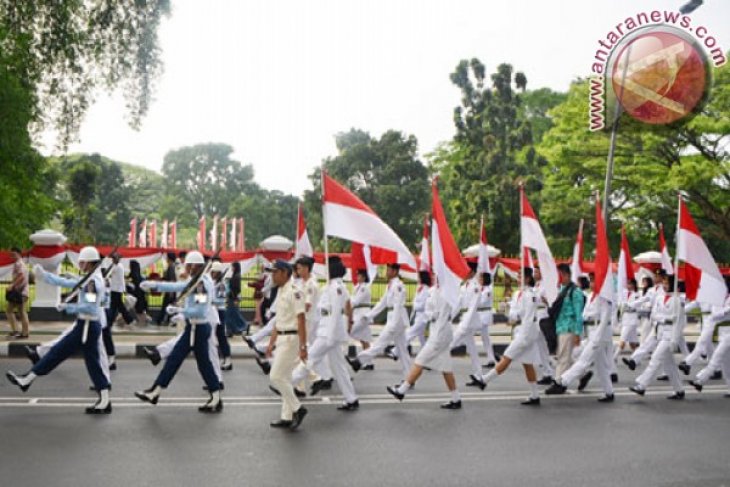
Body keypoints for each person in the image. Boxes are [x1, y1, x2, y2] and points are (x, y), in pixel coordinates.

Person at [6, 246, 112, 414]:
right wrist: (45, 276)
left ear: (90, 262)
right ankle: (105, 401)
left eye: (82, 261)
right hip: (86, 325)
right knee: (90, 362)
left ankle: (27, 379)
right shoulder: (90, 278)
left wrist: (69, 307)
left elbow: (90, 307)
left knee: (57, 353)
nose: (80, 263)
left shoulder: (92, 282)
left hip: (87, 325)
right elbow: (68, 283)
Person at [134, 251, 223, 412]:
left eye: (189, 265)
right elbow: (179, 286)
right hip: (195, 328)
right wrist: (155, 285)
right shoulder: (197, 281)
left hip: (198, 328)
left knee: (179, 360)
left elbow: (200, 311)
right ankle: (215, 397)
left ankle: (156, 391)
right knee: (199, 364)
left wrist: (180, 312)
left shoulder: (202, 284)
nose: (187, 268)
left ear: (196, 266)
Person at [291, 256, 359, 410]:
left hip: (329, 331)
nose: (325, 271)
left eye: (328, 268)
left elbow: (335, 312)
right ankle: (351, 398)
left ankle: (288, 384)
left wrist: (330, 335)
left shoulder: (336, 288)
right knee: (339, 367)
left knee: (311, 358)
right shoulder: (334, 286)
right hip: (328, 330)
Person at [386, 279, 463, 409]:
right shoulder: (433, 290)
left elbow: (457, 304)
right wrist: (432, 314)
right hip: (435, 330)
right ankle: (456, 399)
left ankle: (402, 390)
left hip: (441, 333)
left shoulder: (450, 290)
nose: (436, 275)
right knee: (446, 367)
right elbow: (427, 309)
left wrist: (445, 314)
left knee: (420, 360)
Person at [545, 274, 615, 402]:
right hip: (591, 331)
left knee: (584, 360)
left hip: (600, 333)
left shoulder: (605, 298)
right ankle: (609, 392)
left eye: (594, 281)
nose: (592, 284)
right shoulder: (590, 296)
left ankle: (562, 381)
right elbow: (584, 314)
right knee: (602, 366)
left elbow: (605, 319)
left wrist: (597, 338)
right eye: (591, 281)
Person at [477, 273, 542, 406]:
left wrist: (517, 316)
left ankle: (484, 380)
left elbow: (527, 316)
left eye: (520, 276)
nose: (518, 279)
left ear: (528, 278)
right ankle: (535, 395)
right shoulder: (518, 293)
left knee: (507, 356)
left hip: (526, 331)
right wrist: (507, 307)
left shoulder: (531, 295)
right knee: (527, 363)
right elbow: (513, 313)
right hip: (520, 330)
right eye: (518, 276)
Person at [346, 263, 411, 380]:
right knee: (402, 350)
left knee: (380, 343)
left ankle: (359, 360)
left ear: (395, 272)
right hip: (394, 318)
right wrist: (369, 315)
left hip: (397, 319)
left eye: (389, 270)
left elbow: (398, 306)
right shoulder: (390, 285)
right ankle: (409, 378)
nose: (386, 272)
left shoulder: (398, 286)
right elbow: (382, 303)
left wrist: (393, 324)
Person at [265, 259, 308, 430]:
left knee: (275, 377)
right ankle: (287, 416)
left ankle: (298, 408)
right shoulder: (281, 291)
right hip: (282, 337)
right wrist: (271, 343)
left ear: (284, 272)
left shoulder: (295, 291)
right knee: (286, 379)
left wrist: (303, 347)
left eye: (275, 272)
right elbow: (278, 320)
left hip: (291, 339)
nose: (272, 276)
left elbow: (301, 319)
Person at [629, 275, 686, 400]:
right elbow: (654, 314)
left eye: (667, 283)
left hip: (669, 335)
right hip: (659, 331)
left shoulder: (678, 300)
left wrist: (675, 340)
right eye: (663, 283)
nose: (664, 286)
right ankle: (679, 390)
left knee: (655, 358)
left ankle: (642, 385)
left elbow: (680, 322)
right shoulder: (660, 297)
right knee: (669, 364)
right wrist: (662, 319)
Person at [688, 277, 730, 395]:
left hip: (729, 333)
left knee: (716, 358)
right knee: (726, 363)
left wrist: (720, 313)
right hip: (722, 332)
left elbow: (719, 314)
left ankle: (700, 380)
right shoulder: (719, 299)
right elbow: (715, 313)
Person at [449, 262, 485, 388]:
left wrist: (464, 324)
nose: (463, 271)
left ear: (473, 271)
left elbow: (473, 307)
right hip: (465, 318)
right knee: (472, 349)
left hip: (469, 321)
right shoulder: (465, 286)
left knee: (453, 340)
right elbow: (458, 304)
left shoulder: (476, 287)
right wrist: (450, 317)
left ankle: (435, 358)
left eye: (466, 269)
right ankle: (479, 375)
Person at [553, 263, 585, 379]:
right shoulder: (561, 290)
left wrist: (577, 333)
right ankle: (583, 375)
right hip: (560, 327)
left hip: (569, 327)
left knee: (563, 357)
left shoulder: (575, 292)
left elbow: (579, 314)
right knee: (566, 355)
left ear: (567, 275)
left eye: (560, 275)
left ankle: (558, 381)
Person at [211, 261, 233, 371]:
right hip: (214, 311)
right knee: (216, 336)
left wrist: (208, 300)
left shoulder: (222, 284)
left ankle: (227, 358)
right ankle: (222, 357)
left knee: (221, 336)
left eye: (213, 271)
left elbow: (220, 300)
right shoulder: (214, 282)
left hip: (219, 311)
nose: (212, 273)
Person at [348, 269, 374, 364]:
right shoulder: (357, 287)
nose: (357, 277)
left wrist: (346, 303)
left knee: (348, 331)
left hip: (362, 314)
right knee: (364, 339)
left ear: (363, 277)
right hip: (358, 313)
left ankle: (360, 359)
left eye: (359, 275)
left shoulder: (364, 288)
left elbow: (355, 301)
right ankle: (369, 362)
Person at [6, 247, 30, 339]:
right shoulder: (21, 263)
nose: (12, 256)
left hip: (19, 292)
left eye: (14, 254)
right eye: (11, 255)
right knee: (22, 312)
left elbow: (21, 277)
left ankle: (16, 331)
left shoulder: (19, 263)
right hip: (23, 292)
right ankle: (24, 333)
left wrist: (12, 285)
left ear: (19, 254)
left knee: (9, 310)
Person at [614, 278, 641, 359]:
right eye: (627, 284)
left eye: (630, 284)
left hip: (632, 319)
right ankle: (637, 359)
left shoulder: (637, 294)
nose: (628, 285)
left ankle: (614, 357)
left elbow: (636, 306)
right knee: (633, 342)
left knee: (623, 338)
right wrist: (624, 305)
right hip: (625, 318)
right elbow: (620, 303)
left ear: (633, 285)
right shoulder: (624, 293)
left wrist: (628, 306)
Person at [478, 272, 498, 368]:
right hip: (480, 314)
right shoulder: (482, 289)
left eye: (481, 278)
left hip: (484, 314)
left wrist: (473, 299)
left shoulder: (488, 290)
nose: (479, 280)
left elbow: (482, 302)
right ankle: (492, 357)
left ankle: (492, 358)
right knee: (485, 338)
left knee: (485, 337)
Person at [154, 252, 178, 326]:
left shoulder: (171, 267)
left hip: (170, 290)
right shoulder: (173, 266)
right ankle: (169, 321)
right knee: (170, 306)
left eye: (167, 258)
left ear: (169, 259)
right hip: (171, 290)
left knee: (166, 306)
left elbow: (171, 279)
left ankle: (160, 321)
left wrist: (170, 292)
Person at [225, 262, 248, 335]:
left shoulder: (236, 276)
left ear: (235, 267)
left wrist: (234, 298)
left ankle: (243, 326)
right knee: (232, 314)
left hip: (233, 298)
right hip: (232, 298)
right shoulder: (236, 275)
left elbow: (237, 289)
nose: (231, 268)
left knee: (231, 314)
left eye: (232, 266)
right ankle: (232, 330)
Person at [127, 260, 150, 325]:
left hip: (134, 297)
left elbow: (130, 287)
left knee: (132, 312)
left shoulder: (131, 276)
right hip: (141, 297)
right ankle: (142, 322)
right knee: (139, 312)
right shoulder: (140, 276)